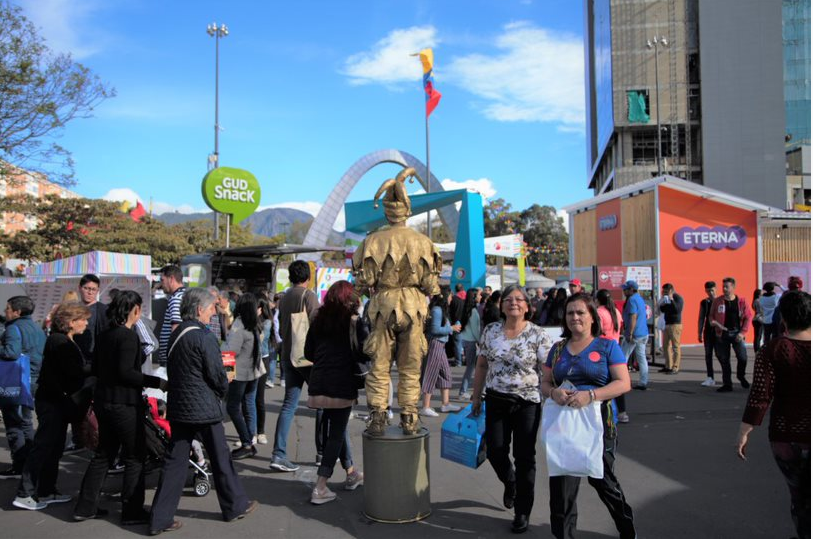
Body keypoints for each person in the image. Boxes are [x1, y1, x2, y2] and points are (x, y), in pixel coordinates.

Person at [149, 288, 258, 534]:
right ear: (199, 309)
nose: (212, 314)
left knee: (174, 463)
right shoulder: (203, 336)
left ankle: (160, 518)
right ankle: (235, 505)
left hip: (179, 407)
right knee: (221, 458)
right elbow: (217, 375)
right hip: (204, 408)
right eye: (210, 309)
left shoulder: (176, 335)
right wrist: (224, 385)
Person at [351, 167, 442, 436]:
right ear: (408, 210)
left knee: (379, 365)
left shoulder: (371, 241)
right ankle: (409, 416)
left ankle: (378, 416)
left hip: (381, 306)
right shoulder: (424, 242)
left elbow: (362, 281)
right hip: (413, 307)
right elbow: (430, 285)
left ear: (387, 212)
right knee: (410, 366)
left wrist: (374, 290)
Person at [541, 293, 636, 539]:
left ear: (592, 317)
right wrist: (553, 392)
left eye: (580, 312)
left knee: (603, 482)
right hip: (564, 428)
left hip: (599, 427)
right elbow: (545, 382)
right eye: (570, 313)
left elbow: (623, 383)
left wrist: (591, 395)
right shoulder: (558, 348)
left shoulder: (607, 346)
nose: (574, 317)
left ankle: (627, 529)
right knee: (562, 489)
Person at [73, 291, 166, 524]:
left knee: (104, 454)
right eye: (140, 308)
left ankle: (85, 507)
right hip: (123, 403)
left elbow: (96, 368)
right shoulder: (127, 336)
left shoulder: (105, 335)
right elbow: (127, 373)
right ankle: (132, 511)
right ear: (134, 310)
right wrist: (156, 382)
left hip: (104, 402)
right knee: (135, 455)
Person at [470, 285, 552, 534]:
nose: (513, 303)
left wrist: (555, 395)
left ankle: (522, 511)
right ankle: (511, 482)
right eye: (508, 299)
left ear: (528, 306)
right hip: (495, 399)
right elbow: (482, 365)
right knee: (495, 451)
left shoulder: (538, 334)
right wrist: (476, 397)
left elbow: (547, 372)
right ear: (501, 305)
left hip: (527, 402)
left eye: (519, 299)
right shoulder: (491, 331)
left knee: (525, 457)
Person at [737, 290, 810, 539]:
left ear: (783, 319)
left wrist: (744, 432)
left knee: (799, 495)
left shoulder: (773, 349)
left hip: (785, 434)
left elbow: (760, 395)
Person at [13, 303, 91, 511]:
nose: (86, 323)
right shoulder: (59, 341)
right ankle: (25, 492)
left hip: (57, 401)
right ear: (71, 322)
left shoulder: (64, 340)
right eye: (83, 319)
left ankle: (46, 490)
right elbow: (74, 373)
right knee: (43, 446)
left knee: (54, 447)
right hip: (52, 402)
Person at [305, 280, 366, 505]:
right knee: (336, 433)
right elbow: (363, 353)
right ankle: (320, 486)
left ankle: (351, 473)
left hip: (319, 380)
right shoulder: (353, 322)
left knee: (336, 430)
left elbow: (308, 351)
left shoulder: (318, 320)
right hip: (341, 383)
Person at [269, 260, 319, 472]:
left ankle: (278, 453)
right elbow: (317, 325)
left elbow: (281, 327)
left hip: (288, 354)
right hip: (306, 357)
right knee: (321, 403)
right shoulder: (308, 296)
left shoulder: (285, 296)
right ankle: (323, 452)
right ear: (308, 277)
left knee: (289, 405)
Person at [0, 296, 46, 476]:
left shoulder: (14, 328)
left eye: (8, 309)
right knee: (26, 422)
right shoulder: (35, 327)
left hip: (17, 381)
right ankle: (32, 463)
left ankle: (20, 465)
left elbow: (11, 352)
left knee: (14, 424)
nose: (5, 312)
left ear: (17, 312)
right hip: (32, 379)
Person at [223, 292, 265, 460]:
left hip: (240, 375)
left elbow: (229, 352)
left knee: (232, 408)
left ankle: (247, 443)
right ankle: (250, 441)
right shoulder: (253, 325)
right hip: (252, 373)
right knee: (248, 406)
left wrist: (228, 375)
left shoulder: (239, 326)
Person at [419, 287, 462, 417]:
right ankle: (425, 406)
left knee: (446, 374)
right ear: (444, 296)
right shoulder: (437, 310)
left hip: (441, 345)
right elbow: (435, 330)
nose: (451, 298)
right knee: (431, 374)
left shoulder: (439, 310)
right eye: (450, 296)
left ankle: (445, 403)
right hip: (436, 344)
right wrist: (451, 328)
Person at [710, 277, 753, 393]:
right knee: (724, 360)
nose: (724, 289)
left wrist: (743, 332)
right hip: (722, 334)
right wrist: (713, 322)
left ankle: (740, 375)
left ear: (733, 287)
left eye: (727, 287)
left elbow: (748, 317)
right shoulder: (717, 301)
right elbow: (711, 316)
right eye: (723, 286)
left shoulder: (741, 301)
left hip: (737, 334)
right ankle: (727, 384)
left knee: (742, 357)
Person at [596, 289, 628, 424]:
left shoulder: (599, 312)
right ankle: (623, 413)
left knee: (603, 382)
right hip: (616, 348)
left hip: (602, 349)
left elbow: (596, 331)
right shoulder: (615, 311)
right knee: (618, 382)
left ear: (598, 299)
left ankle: (606, 414)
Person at [620, 280, 649, 390]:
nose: (624, 291)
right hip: (643, 332)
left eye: (626, 289)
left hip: (634, 334)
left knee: (622, 357)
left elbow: (633, 317)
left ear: (631, 289)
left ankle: (621, 380)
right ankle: (643, 381)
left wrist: (629, 333)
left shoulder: (632, 300)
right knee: (641, 358)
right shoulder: (639, 298)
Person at [74, 274, 108, 365]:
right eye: (86, 288)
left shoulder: (104, 311)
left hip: (95, 360)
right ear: (80, 288)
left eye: (93, 289)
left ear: (98, 291)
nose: (90, 292)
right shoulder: (72, 310)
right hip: (74, 357)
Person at [255, 297, 274, 445]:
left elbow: (260, 339)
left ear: (261, 308)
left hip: (262, 360)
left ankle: (260, 432)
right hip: (250, 361)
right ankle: (251, 432)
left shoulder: (266, 323)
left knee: (259, 398)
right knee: (249, 399)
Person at [157, 265, 185, 366]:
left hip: (172, 357)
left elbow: (176, 328)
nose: (161, 284)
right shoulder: (184, 295)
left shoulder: (176, 298)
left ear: (171, 279)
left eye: (162, 280)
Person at [458, 287, 482, 400]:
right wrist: (480, 341)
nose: (480, 296)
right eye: (479, 295)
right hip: (471, 341)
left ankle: (463, 391)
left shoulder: (469, 309)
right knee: (470, 368)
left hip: (467, 340)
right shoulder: (473, 311)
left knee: (470, 367)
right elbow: (475, 330)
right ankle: (463, 391)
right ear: (474, 297)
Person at [658, 283, 684, 374]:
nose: (664, 293)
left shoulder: (678, 298)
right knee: (665, 346)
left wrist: (671, 299)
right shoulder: (666, 299)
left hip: (675, 324)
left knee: (675, 347)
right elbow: (662, 310)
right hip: (667, 324)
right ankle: (668, 366)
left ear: (671, 291)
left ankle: (675, 367)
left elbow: (677, 310)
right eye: (663, 291)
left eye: (666, 292)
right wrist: (664, 302)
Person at [698, 281, 718, 387]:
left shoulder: (722, 301)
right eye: (708, 290)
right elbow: (701, 318)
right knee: (708, 355)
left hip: (720, 332)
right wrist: (699, 332)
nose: (711, 292)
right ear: (705, 291)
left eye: (712, 290)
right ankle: (710, 377)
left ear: (716, 289)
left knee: (722, 356)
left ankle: (726, 378)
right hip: (708, 333)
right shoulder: (704, 302)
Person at [448, 284, 466, 367]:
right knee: (460, 342)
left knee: (457, 342)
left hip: (455, 322)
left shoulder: (453, 300)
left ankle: (458, 361)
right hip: (461, 321)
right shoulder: (461, 299)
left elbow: (450, 312)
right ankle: (461, 360)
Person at [751, 288, 764, 352]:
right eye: (761, 292)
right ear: (759, 294)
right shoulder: (758, 301)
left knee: (757, 336)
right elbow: (760, 311)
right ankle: (757, 350)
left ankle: (756, 349)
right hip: (759, 319)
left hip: (756, 319)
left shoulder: (755, 301)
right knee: (758, 336)